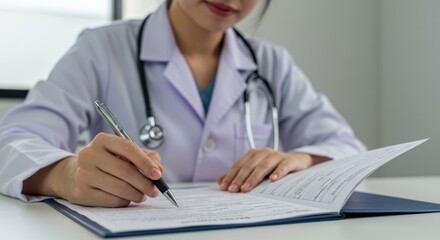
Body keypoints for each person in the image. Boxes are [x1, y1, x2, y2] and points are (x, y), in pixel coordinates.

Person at [0, 0, 366, 207]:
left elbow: (350, 151)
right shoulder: (102, 49)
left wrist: (301, 159)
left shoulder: (272, 64)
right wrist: (65, 174)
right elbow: (11, 142)